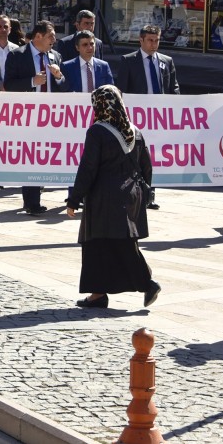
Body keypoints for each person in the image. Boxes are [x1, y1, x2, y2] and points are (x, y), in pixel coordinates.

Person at [67, 85, 161, 310]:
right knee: (108, 244)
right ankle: (98, 294)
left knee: (108, 244)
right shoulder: (135, 131)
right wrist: (146, 192)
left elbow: (88, 168)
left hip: (105, 197)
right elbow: (146, 167)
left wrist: (74, 199)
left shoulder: (97, 131)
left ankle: (146, 283)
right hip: (131, 196)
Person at [5, 20, 68, 215]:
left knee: (44, 156)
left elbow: (64, 86)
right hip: (28, 115)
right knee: (30, 156)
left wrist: (58, 77)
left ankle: (37, 189)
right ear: (38, 36)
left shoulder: (55, 56)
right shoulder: (17, 55)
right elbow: (9, 84)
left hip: (51, 116)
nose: (54, 40)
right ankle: (31, 202)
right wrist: (32, 81)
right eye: (50, 36)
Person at [114, 24, 180, 210]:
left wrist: (174, 106)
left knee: (154, 159)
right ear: (141, 40)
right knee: (136, 157)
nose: (154, 44)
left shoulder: (166, 61)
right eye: (150, 40)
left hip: (159, 118)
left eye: (157, 40)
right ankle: (135, 194)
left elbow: (173, 87)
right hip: (137, 119)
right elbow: (122, 90)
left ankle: (150, 195)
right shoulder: (129, 61)